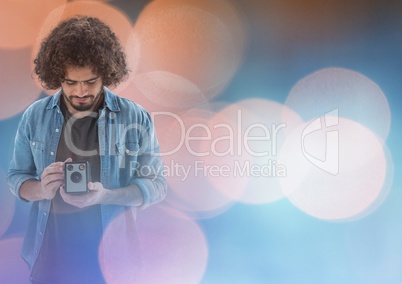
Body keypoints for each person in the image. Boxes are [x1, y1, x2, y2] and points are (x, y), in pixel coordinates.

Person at [6, 15, 167, 284]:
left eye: (90, 81)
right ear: (57, 76)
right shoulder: (35, 116)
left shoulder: (135, 117)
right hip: (50, 265)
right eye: (70, 82)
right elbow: (16, 177)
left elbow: (157, 185)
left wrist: (106, 195)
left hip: (112, 266)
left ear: (107, 72)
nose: (81, 91)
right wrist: (40, 189)